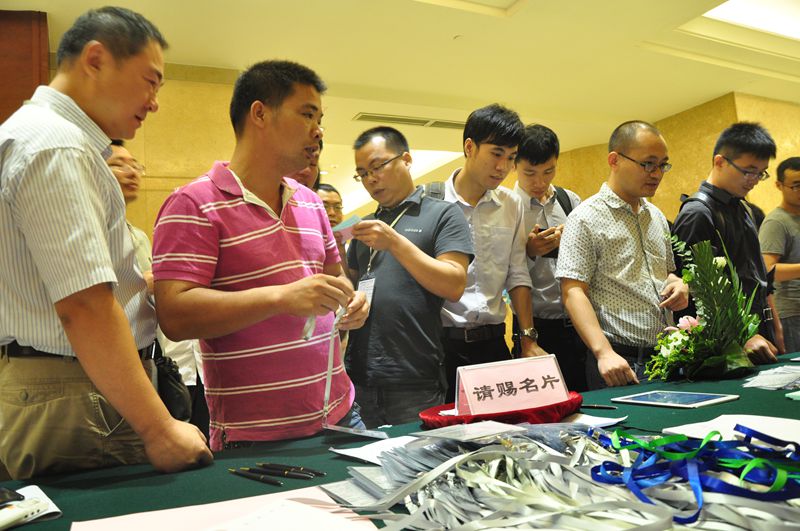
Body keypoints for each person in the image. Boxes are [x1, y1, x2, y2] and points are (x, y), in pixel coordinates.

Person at [0, 6, 212, 479]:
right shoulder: (57, 144)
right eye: (150, 81)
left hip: (70, 385)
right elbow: (85, 305)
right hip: (79, 393)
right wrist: (159, 428)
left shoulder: (34, 135)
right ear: (95, 60)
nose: (154, 103)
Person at [152, 60, 369, 451]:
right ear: (260, 114)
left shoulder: (310, 202)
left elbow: (336, 277)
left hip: (341, 413)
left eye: (320, 119)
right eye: (307, 114)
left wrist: (351, 300)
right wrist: (280, 298)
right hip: (255, 436)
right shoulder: (193, 203)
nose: (318, 130)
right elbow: (175, 316)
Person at [346, 126, 472, 426]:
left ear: (406, 159)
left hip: (414, 377)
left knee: (416, 455)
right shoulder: (364, 225)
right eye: (362, 173)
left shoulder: (443, 214)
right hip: (359, 375)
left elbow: (454, 284)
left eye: (377, 166)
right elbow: (351, 284)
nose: (370, 179)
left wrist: (394, 242)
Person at [557, 121, 689, 389]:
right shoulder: (584, 217)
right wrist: (604, 353)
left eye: (663, 165)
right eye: (648, 164)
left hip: (667, 354)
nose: (656, 174)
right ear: (614, 160)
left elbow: (665, 273)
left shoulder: (656, 216)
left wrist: (678, 284)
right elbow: (573, 291)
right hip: (620, 360)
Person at [440, 104, 548, 402]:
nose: (503, 166)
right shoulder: (433, 203)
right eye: (496, 154)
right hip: (441, 347)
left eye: (511, 157)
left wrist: (528, 339)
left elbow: (517, 273)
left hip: (493, 344)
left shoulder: (511, 204)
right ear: (469, 147)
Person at [108, 140, 210, 439]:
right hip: (108, 360)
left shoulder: (138, 236)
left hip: (153, 359)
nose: (131, 172)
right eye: (118, 165)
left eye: (134, 165)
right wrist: (150, 284)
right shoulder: (93, 231)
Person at [673, 122, 782, 363]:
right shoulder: (697, 213)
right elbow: (701, 294)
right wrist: (742, 336)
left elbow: (758, 278)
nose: (754, 180)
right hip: (729, 346)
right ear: (720, 162)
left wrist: (775, 323)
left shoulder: (744, 208)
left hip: (761, 331)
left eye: (761, 173)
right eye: (748, 171)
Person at [512, 124, 588, 391]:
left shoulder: (569, 200)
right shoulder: (507, 207)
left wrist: (576, 243)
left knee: (586, 399)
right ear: (514, 164)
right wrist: (529, 252)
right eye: (530, 173)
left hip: (578, 323)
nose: (539, 182)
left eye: (548, 171)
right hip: (534, 327)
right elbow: (501, 272)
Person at [760, 156, 800, 353]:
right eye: (796, 186)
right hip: (791, 314)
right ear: (779, 185)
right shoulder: (776, 222)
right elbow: (767, 269)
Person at [317, 182, 347, 262]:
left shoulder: (347, 249)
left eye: (337, 207)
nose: (332, 213)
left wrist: (340, 249)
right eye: (324, 206)